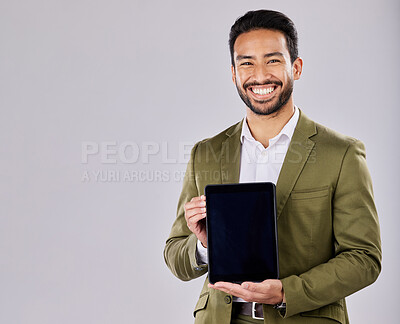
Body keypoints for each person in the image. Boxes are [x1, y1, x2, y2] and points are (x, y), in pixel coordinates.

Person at [164, 9, 381, 324]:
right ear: (234, 73)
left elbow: (364, 259)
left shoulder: (342, 153)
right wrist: (204, 245)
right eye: (247, 63)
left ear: (296, 67)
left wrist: (286, 292)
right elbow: (175, 256)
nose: (260, 75)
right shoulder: (206, 153)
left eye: (273, 60)